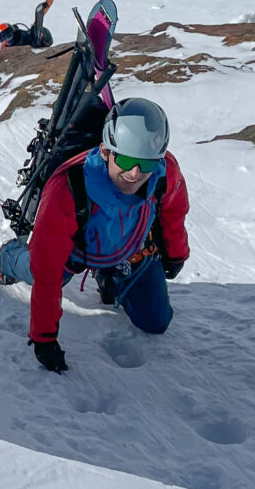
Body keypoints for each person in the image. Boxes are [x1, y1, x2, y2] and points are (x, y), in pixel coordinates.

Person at [26, 98, 188, 372]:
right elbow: (47, 268)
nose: (135, 173)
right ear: (104, 151)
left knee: (156, 321)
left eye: (145, 163)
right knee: (33, 270)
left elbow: (175, 211)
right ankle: (8, 257)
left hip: (130, 249)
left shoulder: (164, 173)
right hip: (71, 256)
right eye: (124, 160)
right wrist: (43, 337)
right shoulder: (67, 188)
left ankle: (109, 273)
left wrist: (175, 254)